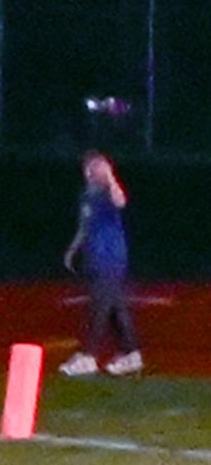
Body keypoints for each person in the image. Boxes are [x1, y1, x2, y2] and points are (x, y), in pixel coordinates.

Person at [65, 150, 141, 378]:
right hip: (94, 257)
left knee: (100, 307)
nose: (90, 172)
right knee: (116, 309)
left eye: (95, 167)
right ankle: (131, 354)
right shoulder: (87, 195)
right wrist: (73, 248)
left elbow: (121, 201)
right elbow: (85, 225)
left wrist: (109, 176)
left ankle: (89, 355)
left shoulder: (109, 191)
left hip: (110, 258)